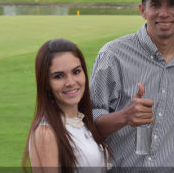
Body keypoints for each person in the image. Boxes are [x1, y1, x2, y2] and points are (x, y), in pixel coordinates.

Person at [89, 0, 174, 171]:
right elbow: (88, 123)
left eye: (172, 4)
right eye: (155, 4)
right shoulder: (113, 56)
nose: (164, 13)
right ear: (142, 10)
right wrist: (125, 116)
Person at [22, 39, 110, 173]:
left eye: (76, 72)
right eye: (58, 76)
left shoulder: (82, 121)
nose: (70, 82)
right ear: (45, 83)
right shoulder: (46, 133)